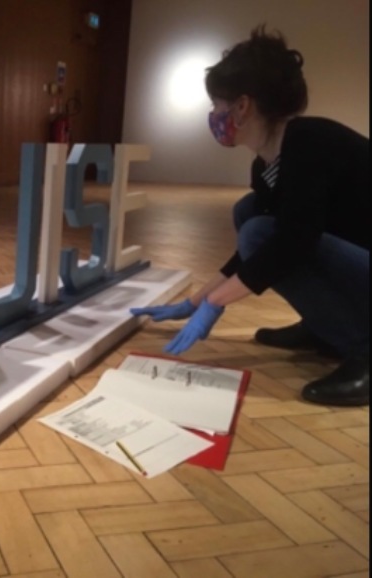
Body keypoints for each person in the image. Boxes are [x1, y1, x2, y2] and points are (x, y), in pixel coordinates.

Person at [130, 25, 369, 407]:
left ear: (242, 106)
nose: (214, 114)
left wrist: (217, 302)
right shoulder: (266, 164)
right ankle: (325, 330)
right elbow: (262, 251)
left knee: (260, 229)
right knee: (250, 214)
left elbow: (293, 240)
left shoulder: (309, 141)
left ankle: (363, 348)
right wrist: (196, 301)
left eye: (217, 105)